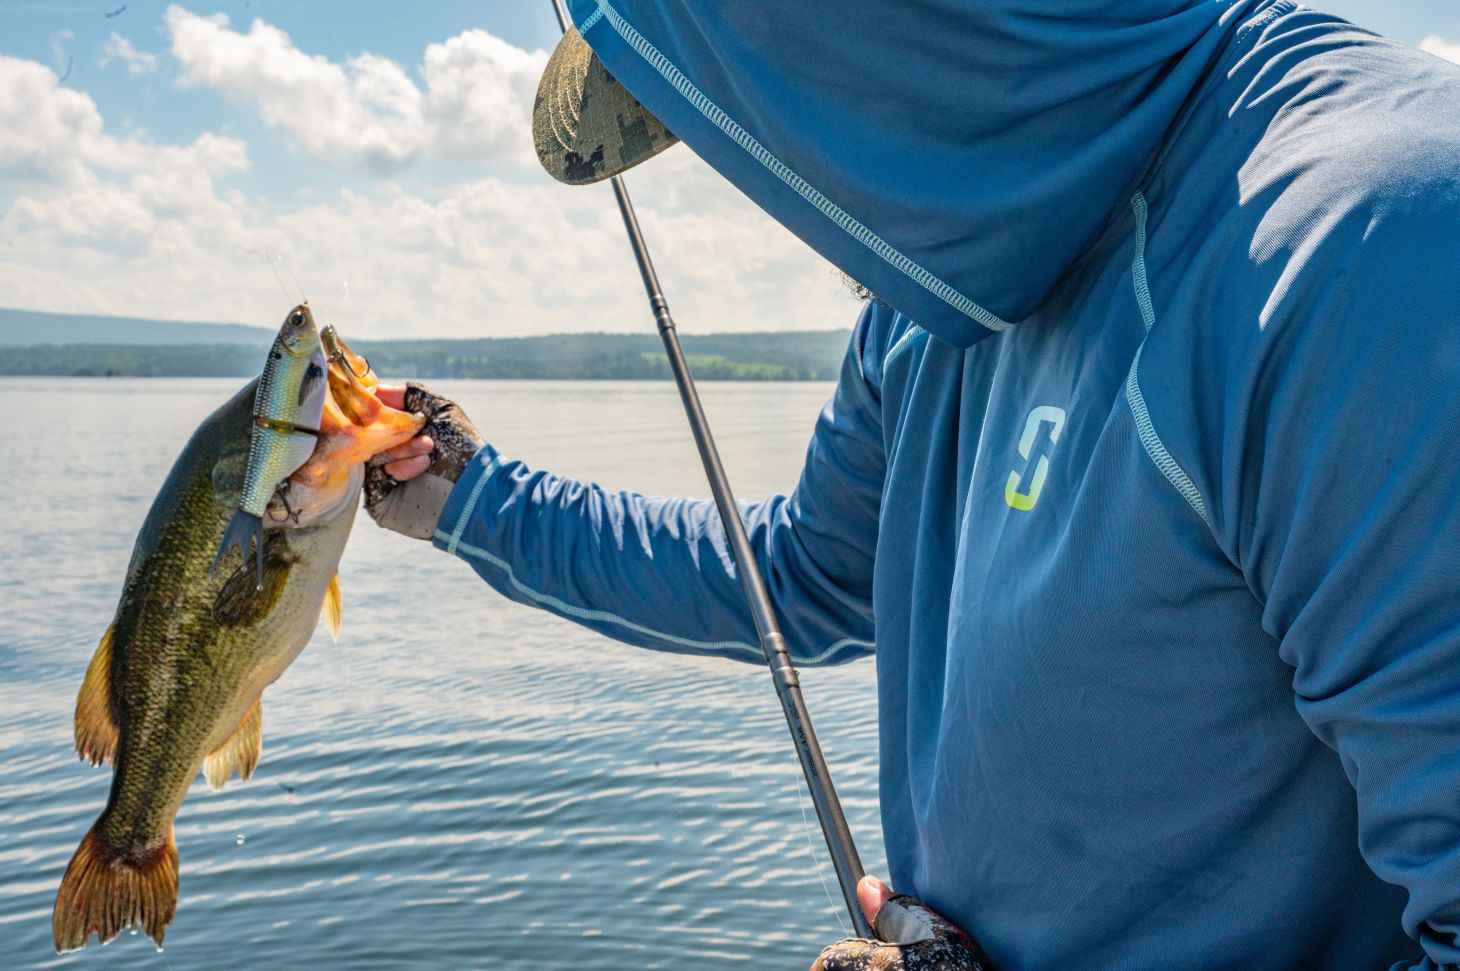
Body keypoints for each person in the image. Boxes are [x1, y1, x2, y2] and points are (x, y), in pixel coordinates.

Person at [364, 2, 1460, 968]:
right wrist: (469, 495)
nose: (781, 183)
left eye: (769, 105)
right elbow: (805, 573)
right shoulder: (921, 310)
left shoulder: (1371, 242)